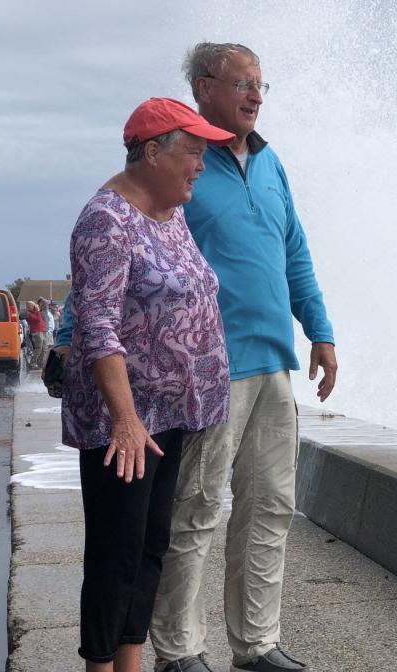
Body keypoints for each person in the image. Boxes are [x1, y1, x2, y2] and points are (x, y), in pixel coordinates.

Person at [149, 43, 338, 672]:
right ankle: (178, 652)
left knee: (269, 507)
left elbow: (295, 252)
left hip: (273, 365)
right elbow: (131, 243)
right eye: (242, 84)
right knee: (196, 510)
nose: (256, 95)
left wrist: (321, 331)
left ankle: (255, 646)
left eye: (261, 84)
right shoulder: (183, 156)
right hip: (208, 369)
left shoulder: (270, 161)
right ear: (204, 88)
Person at [62, 97, 234, 672]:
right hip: (125, 421)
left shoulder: (171, 212)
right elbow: (97, 324)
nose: (200, 165)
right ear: (152, 152)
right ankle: (100, 665)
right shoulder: (106, 220)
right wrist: (126, 419)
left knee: (151, 547)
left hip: (173, 413)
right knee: (115, 554)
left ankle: (131, 662)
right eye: (193, 152)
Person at [25, 300, 46, 367]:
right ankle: (33, 362)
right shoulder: (28, 313)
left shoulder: (35, 312)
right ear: (28, 306)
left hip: (41, 331)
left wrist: (38, 311)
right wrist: (37, 310)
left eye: (33, 304)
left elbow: (42, 318)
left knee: (43, 348)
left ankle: (41, 362)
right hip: (36, 332)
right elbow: (38, 319)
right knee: (38, 348)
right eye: (31, 305)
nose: (34, 306)